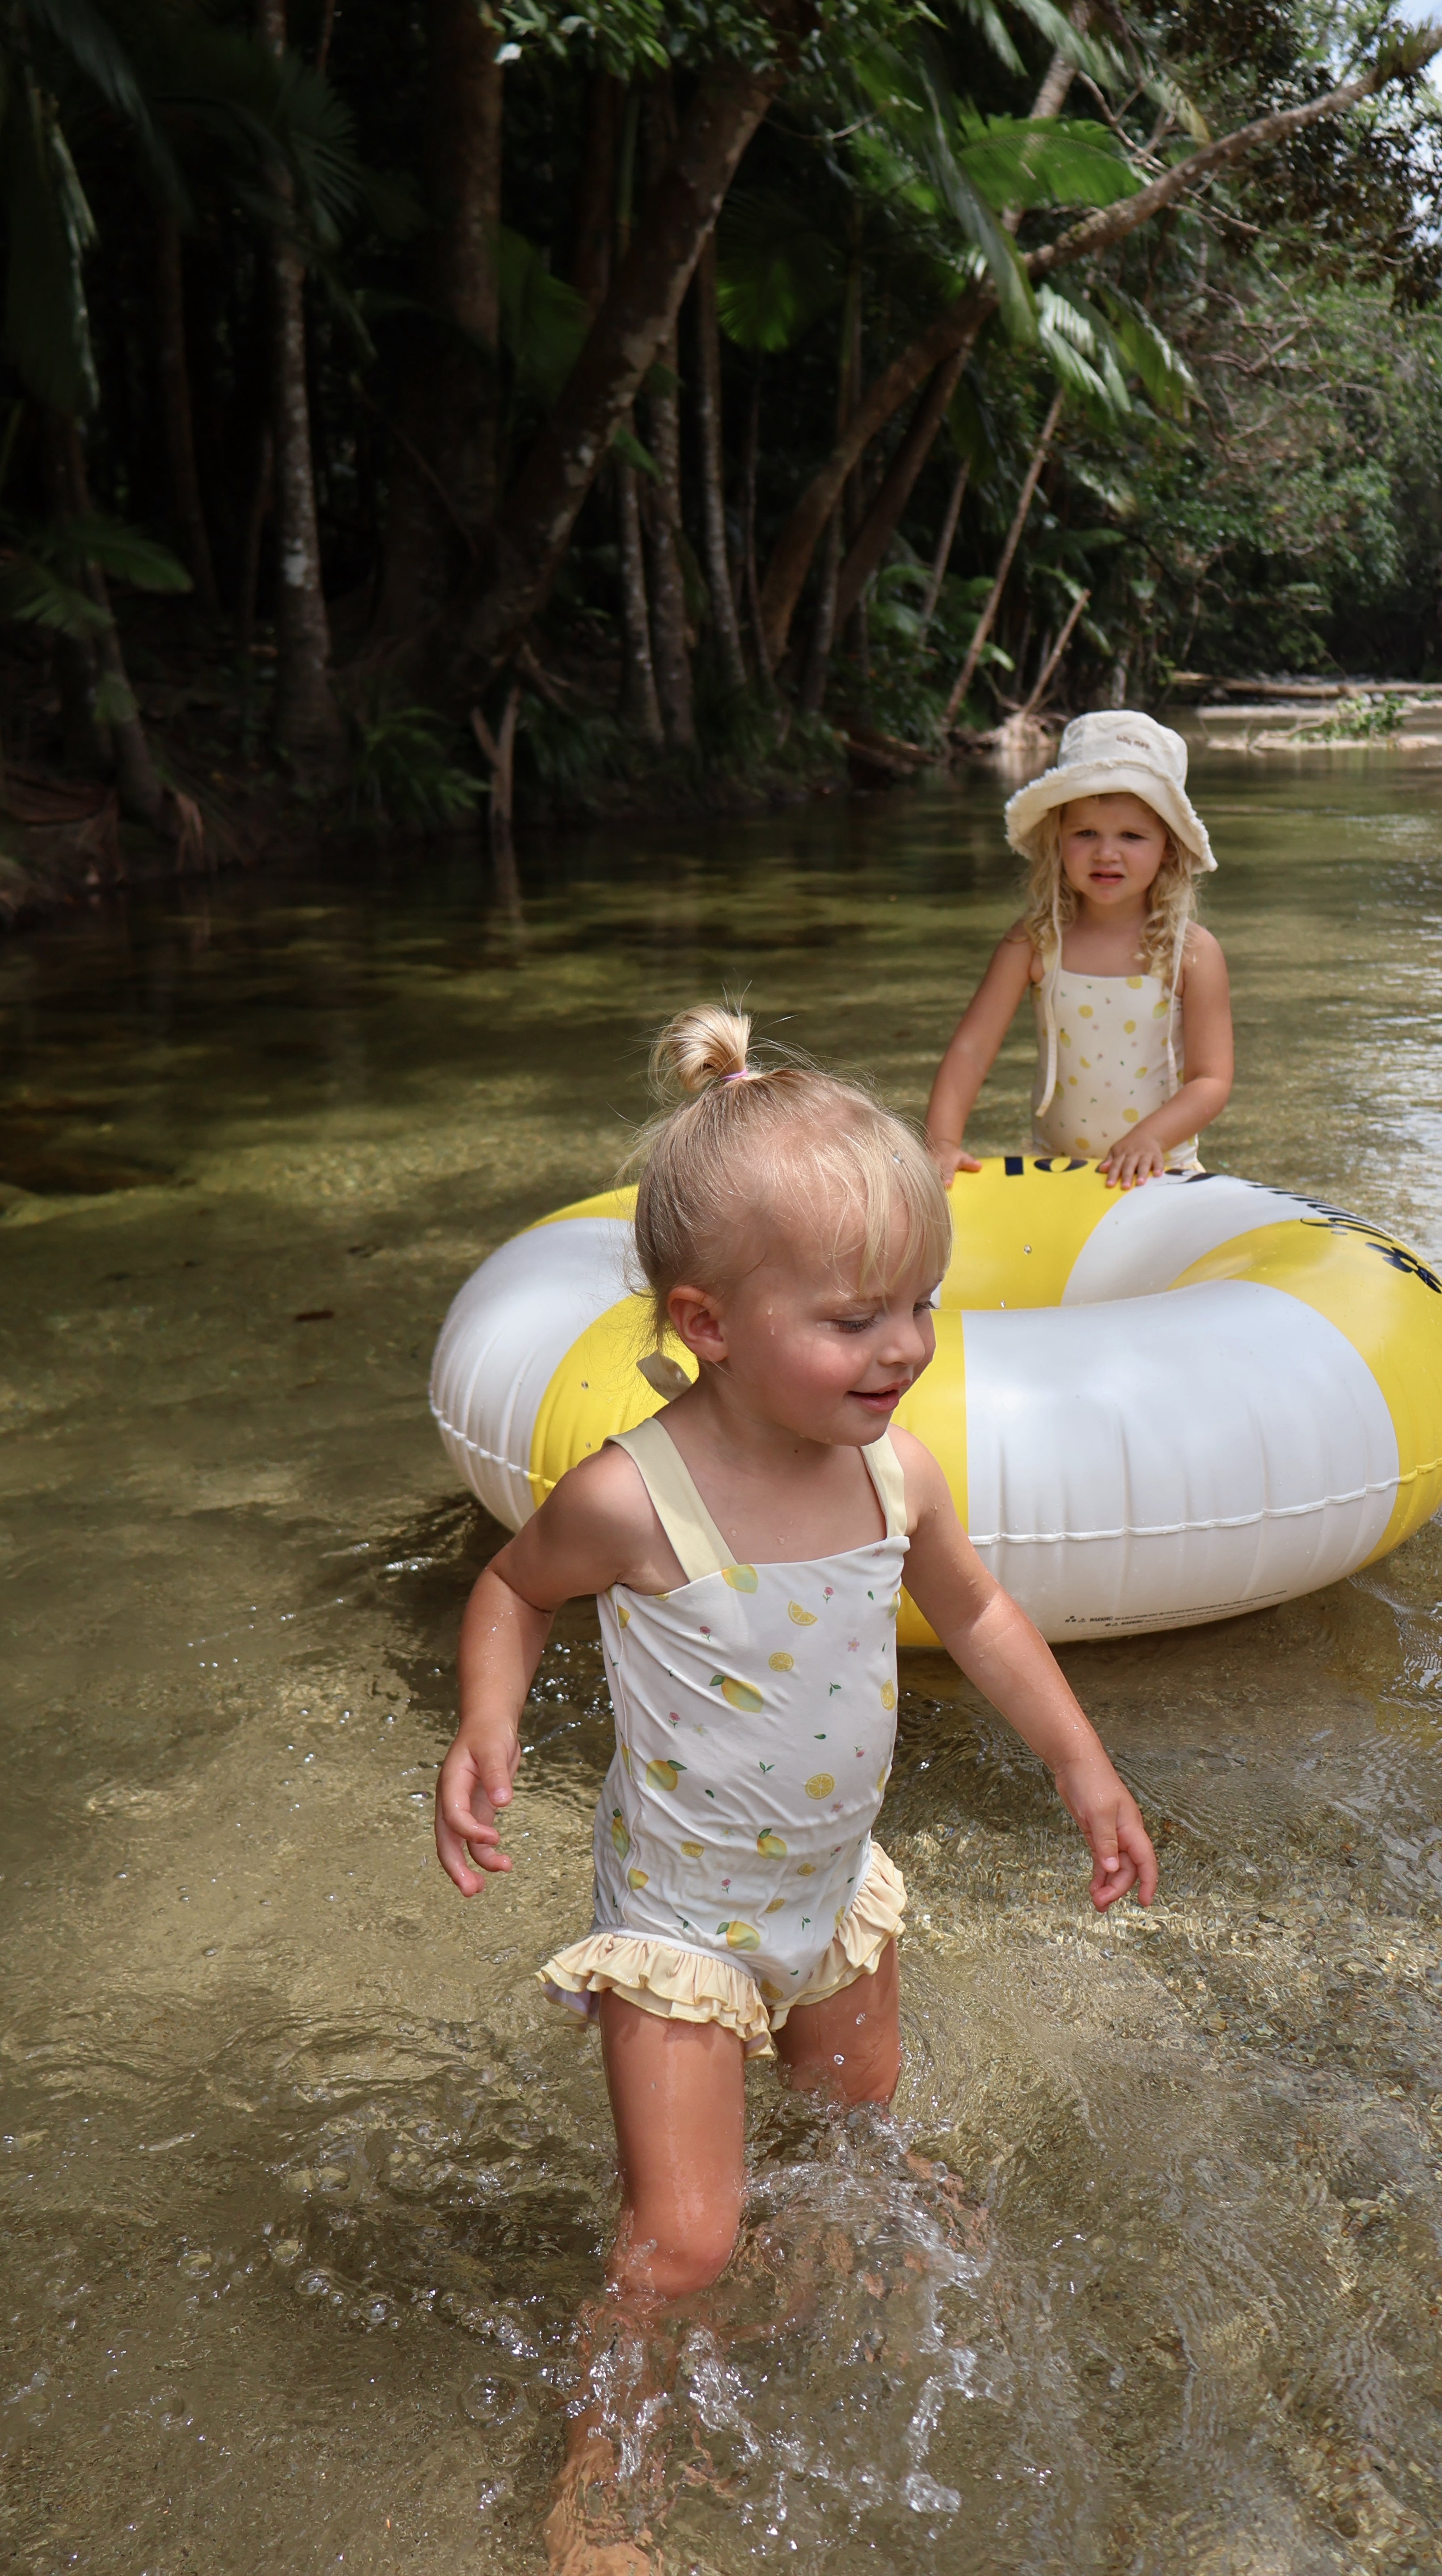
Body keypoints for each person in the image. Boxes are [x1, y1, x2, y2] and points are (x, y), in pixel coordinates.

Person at [433, 1006, 1156, 2559]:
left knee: (858, 2138)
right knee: (684, 2245)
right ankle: (600, 2481)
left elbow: (979, 1612)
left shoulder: (898, 1473)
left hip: (828, 1896)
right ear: (707, 1321)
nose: (900, 1349)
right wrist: (486, 1725)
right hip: (684, 1929)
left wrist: (1084, 1768)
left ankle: (813, 2297)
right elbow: (510, 1587)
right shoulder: (638, 1495)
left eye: (921, 1308)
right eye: (853, 1320)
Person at [925, 708, 1234, 1189]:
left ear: (1167, 849)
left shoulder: (1189, 952)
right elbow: (971, 1049)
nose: (1106, 853)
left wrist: (1151, 1137)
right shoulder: (1034, 942)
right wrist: (942, 1141)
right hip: (1056, 1172)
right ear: (1057, 841)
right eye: (1085, 833)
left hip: (1160, 1172)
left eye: (1131, 836)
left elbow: (1211, 1079)